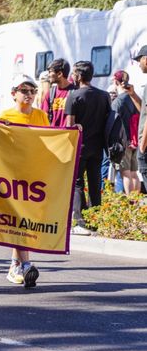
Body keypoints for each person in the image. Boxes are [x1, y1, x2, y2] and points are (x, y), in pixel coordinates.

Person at [0, 74, 48, 288]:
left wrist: (73, 134)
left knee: (23, 222)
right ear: (13, 94)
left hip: (34, 176)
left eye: (33, 91)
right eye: (24, 90)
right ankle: (26, 264)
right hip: (12, 176)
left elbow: (50, 140)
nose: (29, 95)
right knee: (19, 221)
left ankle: (14, 266)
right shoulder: (5, 116)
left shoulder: (41, 115)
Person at [65, 60, 111, 235]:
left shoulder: (74, 96)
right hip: (98, 147)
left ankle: (79, 221)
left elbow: (70, 126)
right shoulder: (104, 95)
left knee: (77, 183)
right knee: (95, 182)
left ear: (77, 76)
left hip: (79, 146)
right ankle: (96, 219)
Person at [112, 70, 141, 194]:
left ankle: (130, 201)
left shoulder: (118, 101)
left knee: (125, 173)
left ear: (116, 81)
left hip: (124, 140)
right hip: (136, 139)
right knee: (134, 173)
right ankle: (137, 200)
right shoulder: (134, 97)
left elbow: (113, 120)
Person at [42, 58, 76, 127]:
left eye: (50, 72)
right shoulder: (50, 93)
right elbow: (43, 117)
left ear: (60, 74)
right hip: (53, 135)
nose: (48, 75)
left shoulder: (75, 92)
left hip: (69, 136)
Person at [134, 47, 147, 192]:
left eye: (139, 60)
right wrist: (133, 95)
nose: (139, 64)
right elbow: (143, 110)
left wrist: (142, 146)